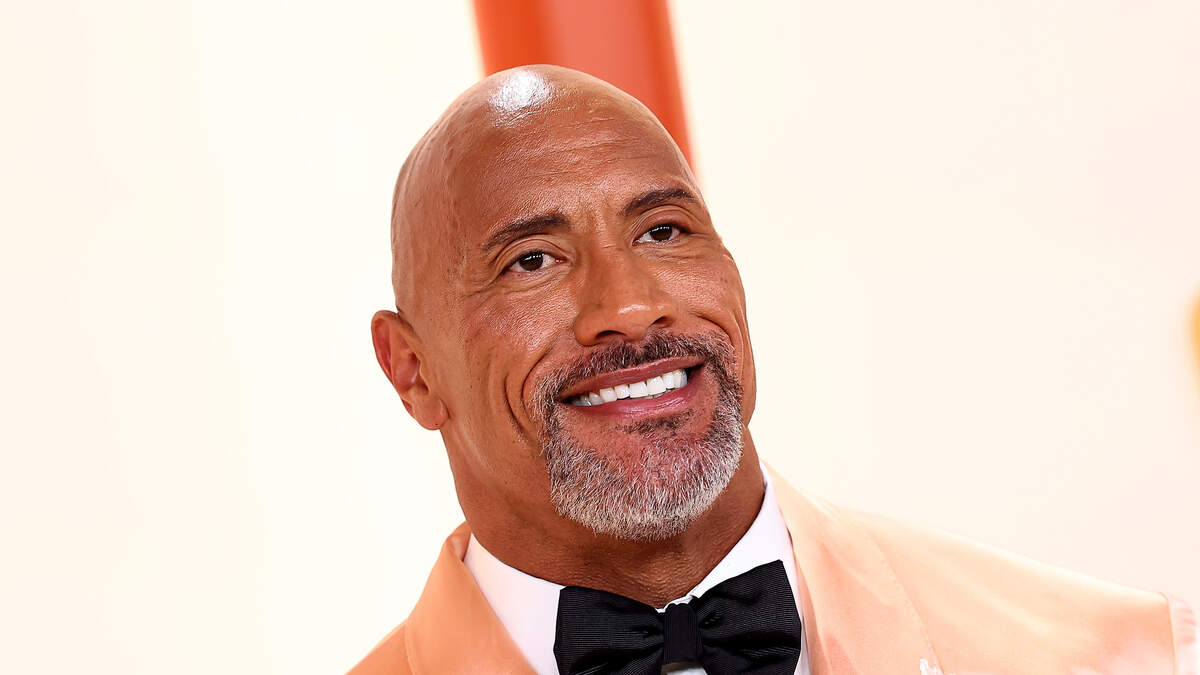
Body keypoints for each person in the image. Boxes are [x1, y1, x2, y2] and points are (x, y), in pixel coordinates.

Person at [353, 65, 1196, 674]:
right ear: (411, 370)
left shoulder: (1119, 655)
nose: (631, 305)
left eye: (663, 231)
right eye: (532, 259)